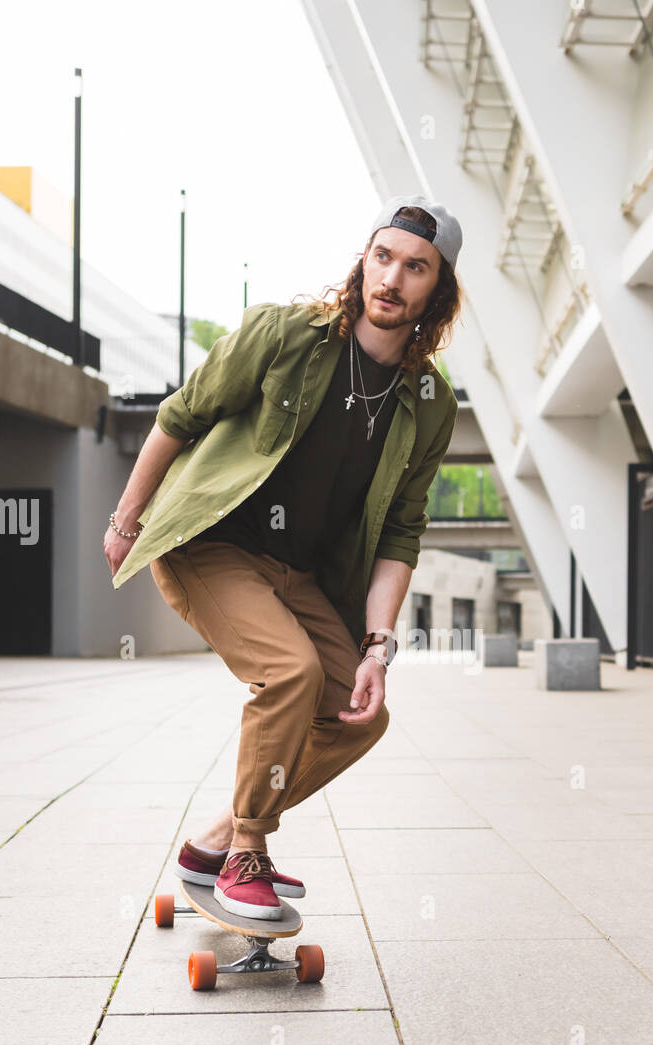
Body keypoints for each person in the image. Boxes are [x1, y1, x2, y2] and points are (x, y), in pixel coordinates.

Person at [105, 197, 462, 920]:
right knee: (290, 674)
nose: (391, 278)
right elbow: (181, 416)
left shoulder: (429, 401)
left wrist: (375, 649)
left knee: (356, 712)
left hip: (299, 577)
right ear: (364, 259)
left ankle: (214, 842)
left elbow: (400, 533)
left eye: (415, 267)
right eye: (382, 256)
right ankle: (247, 853)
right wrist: (127, 515)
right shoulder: (285, 334)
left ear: (439, 288)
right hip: (211, 542)